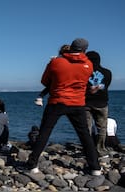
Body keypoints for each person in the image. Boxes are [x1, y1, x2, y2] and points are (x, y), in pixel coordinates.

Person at [26, 38, 102, 176]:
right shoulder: (88, 65)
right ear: (85, 50)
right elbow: (86, 83)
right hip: (77, 103)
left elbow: (44, 81)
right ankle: (95, 168)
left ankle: (32, 165)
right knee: (85, 135)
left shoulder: (56, 62)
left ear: (71, 47)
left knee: (44, 133)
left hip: (57, 101)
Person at [85, 50, 112, 156]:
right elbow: (107, 84)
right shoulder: (107, 72)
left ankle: (88, 149)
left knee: (86, 127)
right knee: (102, 127)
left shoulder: (85, 72)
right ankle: (100, 149)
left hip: (86, 102)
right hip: (102, 102)